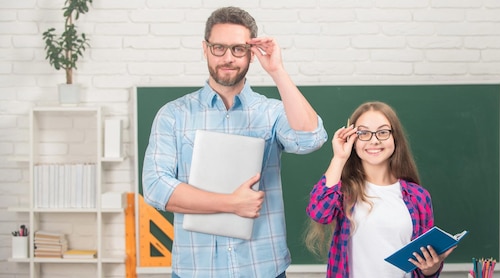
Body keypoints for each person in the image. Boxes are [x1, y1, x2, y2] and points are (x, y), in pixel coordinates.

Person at [141, 6, 327, 278]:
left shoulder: (271, 112)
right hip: (196, 271)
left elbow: (311, 138)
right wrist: (231, 203)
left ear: (251, 54)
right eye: (219, 48)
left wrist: (277, 71)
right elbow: (156, 187)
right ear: (205, 49)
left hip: (263, 269)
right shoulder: (173, 115)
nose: (228, 58)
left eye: (238, 49)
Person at [305, 101, 455, 278]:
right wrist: (339, 157)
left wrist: (430, 268)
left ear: (395, 138)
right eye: (363, 133)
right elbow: (319, 213)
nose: (374, 140)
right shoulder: (343, 192)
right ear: (353, 140)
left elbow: (423, 268)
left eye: (383, 132)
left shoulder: (418, 197)